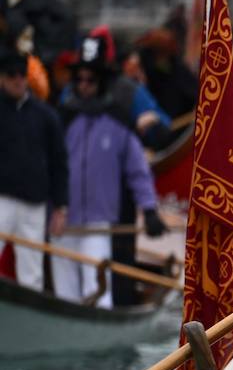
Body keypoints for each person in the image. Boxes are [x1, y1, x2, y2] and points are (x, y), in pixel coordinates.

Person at [56, 57, 166, 308]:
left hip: (98, 224)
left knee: (97, 292)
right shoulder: (62, 119)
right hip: (62, 221)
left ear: (101, 82)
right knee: (63, 297)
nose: (84, 85)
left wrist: (149, 210)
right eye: (79, 80)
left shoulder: (118, 122)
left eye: (90, 80)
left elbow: (137, 170)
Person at [0, 46, 67, 291]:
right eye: (11, 74)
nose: (18, 80)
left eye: (21, 74)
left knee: (31, 275)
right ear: (2, 77)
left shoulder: (46, 116)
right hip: (2, 200)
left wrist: (60, 206)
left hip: (34, 204)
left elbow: (59, 162)